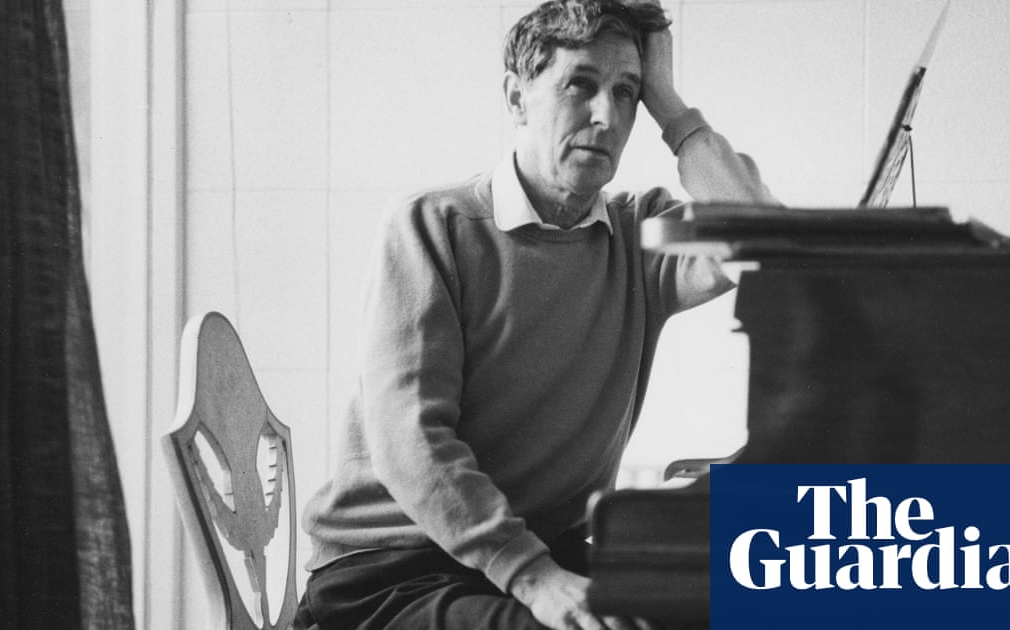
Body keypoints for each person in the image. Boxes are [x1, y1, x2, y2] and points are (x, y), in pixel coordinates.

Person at [294, 1, 777, 628]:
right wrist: (533, 577)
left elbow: (765, 241)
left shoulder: (640, 234)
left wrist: (669, 104)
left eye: (626, 93)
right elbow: (412, 443)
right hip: (394, 568)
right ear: (517, 98)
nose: (607, 116)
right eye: (581, 84)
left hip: (543, 556)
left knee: (745, 603)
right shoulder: (431, 226)